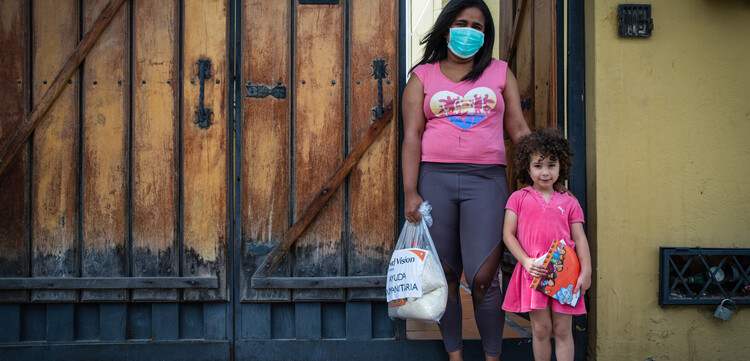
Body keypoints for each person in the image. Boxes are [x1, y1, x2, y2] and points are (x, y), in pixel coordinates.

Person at [401, 0, 531, 359]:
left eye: (478, 26)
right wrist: (411, 191)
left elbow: (519, 130)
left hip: (487, 182)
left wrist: (546, 177)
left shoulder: (500, 72)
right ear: (447, 29)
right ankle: (455, 356)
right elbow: (412, 135)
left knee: (484, 280)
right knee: (444, 278)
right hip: (435, 181)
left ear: (485, 35)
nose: (470, 32)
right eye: (463, 23)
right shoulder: (422, 75)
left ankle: (492, 356)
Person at [501, 128, 592, 361]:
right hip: (535, 272)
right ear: (527, 168)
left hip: (565, 274)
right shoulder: (518, 198)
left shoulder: (569, 202)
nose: (545, 172)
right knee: (541, 330)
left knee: (562, 330)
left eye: (552, 165)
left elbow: (580, 238)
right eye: (538, 165)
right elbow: (508, 234)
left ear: (561, 167)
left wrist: (587, 271)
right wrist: (526, 261)